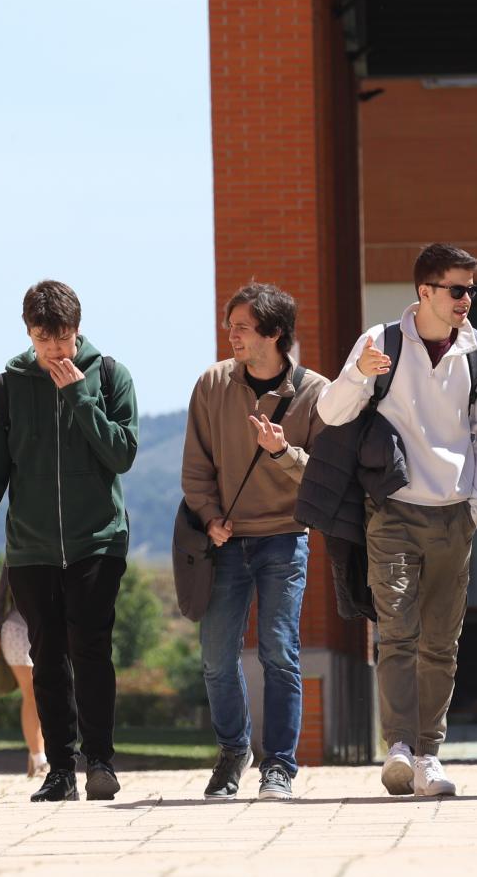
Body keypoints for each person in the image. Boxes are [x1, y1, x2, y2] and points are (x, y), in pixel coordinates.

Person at [317, 243, 477, 797]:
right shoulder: (380, 342)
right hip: (393, 511)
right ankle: (399, 747)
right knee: (397, 632)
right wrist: (358, 375)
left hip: (455, 515)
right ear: (424, 291)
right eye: (457, 289)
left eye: (472, 290)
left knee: (442, 642)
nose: (466, 300)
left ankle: (430, 753)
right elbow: (331, 413)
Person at [0, 279, 139, 802]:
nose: (55, 350)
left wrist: (80, 396)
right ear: (29, 334)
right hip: (32, 548)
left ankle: (100, 762)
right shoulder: (5, 388)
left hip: (98, 541)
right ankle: (60, 769)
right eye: (44, 339)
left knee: (91, 648)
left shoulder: (109, 376)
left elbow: (122, 454)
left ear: (77, 330)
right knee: (47, 655)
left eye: (62, 339)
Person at [182, 283, 329, 801]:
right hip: (225, 542)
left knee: (278, 651)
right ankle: (231, 753)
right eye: (230, 326)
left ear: (274, 333)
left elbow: (326, 481)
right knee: (216, 657)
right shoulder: (211, 384)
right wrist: (210, 516)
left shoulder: (315, 392)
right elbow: (196, 468)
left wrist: (282, 451)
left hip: (284, 540)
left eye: (242, 326)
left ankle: (280, 768)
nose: (232, 335)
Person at [0, 566, 47, 777]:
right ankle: (39, 759)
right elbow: (1, 595)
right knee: (33, 693)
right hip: (18, 628)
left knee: (49, 693)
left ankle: (39, 751)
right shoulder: (17, 545)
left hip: (50, 627)